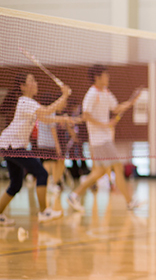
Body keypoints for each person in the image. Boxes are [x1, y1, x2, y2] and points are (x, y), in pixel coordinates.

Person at [66, 65, 141, 212]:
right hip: (100, 140)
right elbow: (85, 115)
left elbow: (116, 108)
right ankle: (129, 201)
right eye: (105, 75)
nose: (108, 78)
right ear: (97, 77)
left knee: (99, 172)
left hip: (104, 138)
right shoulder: (92, 94)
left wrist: (131, 101)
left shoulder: (105, 92)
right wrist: (105, 124)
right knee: (117, 168)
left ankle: (74, 195)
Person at [0, 73, 72, 225]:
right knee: (42, 173)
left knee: (16, 184)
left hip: (9, 145)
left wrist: (63, 117)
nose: (36, 83)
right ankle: (44, 212)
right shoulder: (25, 101)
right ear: (23, 87)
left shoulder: (30, 103)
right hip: (12, 146)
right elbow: (46, 111)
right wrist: (64, 95)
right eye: (31, 81)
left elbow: (46, 118)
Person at [36, 92, 66, 196]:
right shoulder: (51, 112)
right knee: (52, 164)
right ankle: (51, 185)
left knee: (45, 164)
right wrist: (57, 146)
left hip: (40, 143)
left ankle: (47, 185)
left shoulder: (39, 112)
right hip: (49, 143)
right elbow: (53, 130)